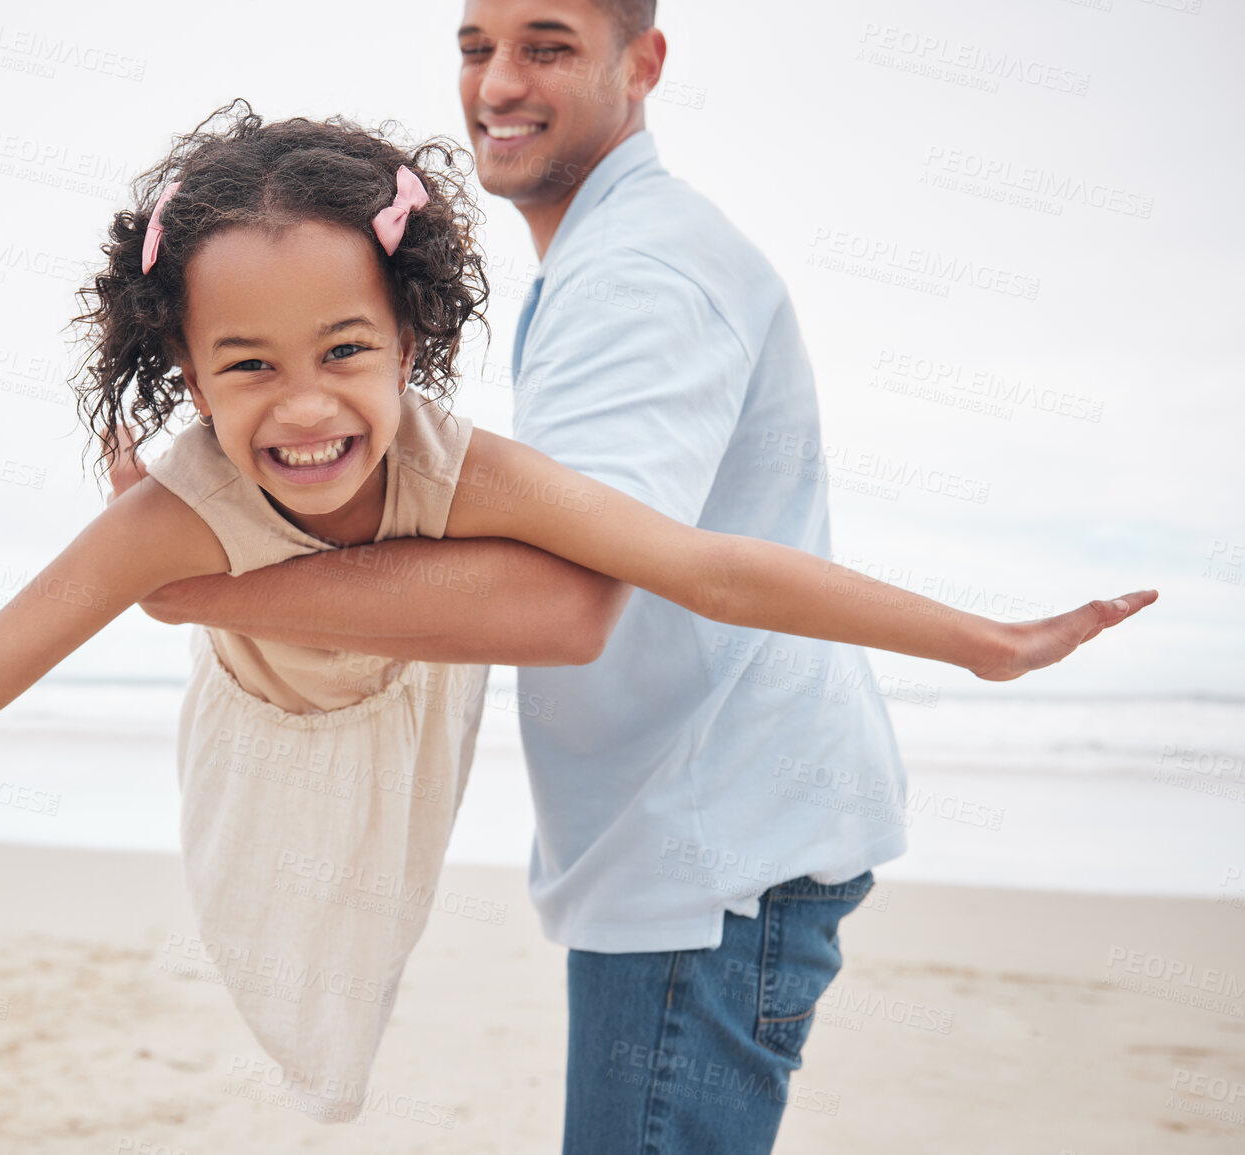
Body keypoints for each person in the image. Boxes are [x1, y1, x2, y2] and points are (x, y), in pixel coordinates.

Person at [0, 101, 1152, 1133]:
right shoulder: (168, 512)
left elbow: (709, 564)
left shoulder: (473, 469)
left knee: (373, 922)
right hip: (260, 714)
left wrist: (980, 640)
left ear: (413, 338)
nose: (302, 408)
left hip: (403, 697)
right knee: (289, 961)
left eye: (343, 350)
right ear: (182, 371)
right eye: (243, 367)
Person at [102, 2, 1153, 1150]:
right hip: (702, 844)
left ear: (644, 63)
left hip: (709, 857)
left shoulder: (635, 278)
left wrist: (199, 583)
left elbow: (567, 603)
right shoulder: (615, 253)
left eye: (547, 46)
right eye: (476, 47)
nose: (498, 81)